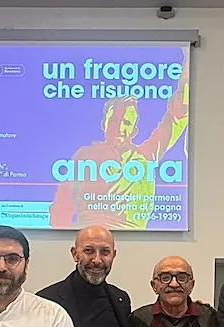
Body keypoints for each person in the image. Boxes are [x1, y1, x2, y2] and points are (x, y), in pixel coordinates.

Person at [48, 64, 189, 230]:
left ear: (134, 130)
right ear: (104, 124)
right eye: (114, 121)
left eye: (127, 123)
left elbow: (175, 119)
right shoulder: (85, 156)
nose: (120, 128)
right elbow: (61, 205)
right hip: (89, 233)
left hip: (135, 235)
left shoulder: (144, 157)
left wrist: (186, 79)